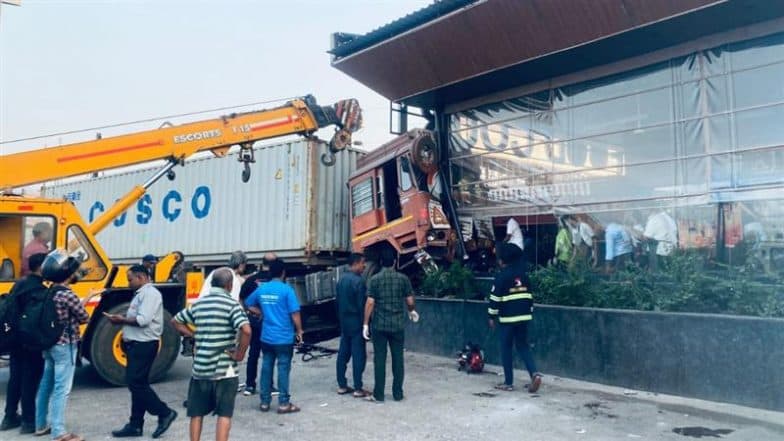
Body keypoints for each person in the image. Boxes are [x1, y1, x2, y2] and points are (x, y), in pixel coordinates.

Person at [172, 268, 251, 441]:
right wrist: (239, 354)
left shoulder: (200, 304)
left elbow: (176, 320)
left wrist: (193, 335)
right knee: (224, 414)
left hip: (200, 369)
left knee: (196, 414)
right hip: (225, 370)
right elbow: (246, 330)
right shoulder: (232, 305)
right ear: (229, 285)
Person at [35, 249, 98, 440]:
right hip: (65, 346)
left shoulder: (50, 291)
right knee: (62, 389)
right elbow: (83, 317)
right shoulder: (67, 294)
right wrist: (87, 301)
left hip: (50, 344)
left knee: (46, 385)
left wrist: (86, 298)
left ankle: (40, 425)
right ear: (67, 274)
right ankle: (59, 432)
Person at [108, 265, 177, 438]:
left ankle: (164, 412)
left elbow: (143, 320)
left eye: (130, 279)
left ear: (141, 277)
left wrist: (121, 320)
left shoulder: (150, 294)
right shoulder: (141, 294)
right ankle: (135, 424)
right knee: (139, 383)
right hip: (137, 344)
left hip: (144, 344)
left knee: (135, 383)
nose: (128, 283)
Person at [244, 259, 304, 414]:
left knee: (266, 367)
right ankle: (284, 403)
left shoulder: (262, 289)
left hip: (266, 337)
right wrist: (299, 330)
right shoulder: (287, 290)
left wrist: (261, 313)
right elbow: (295, 313)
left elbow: (248, 304)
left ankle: (264, 402)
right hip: (283, 337)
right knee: (283, 368)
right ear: (283, 273)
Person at [362, 248, 419, 403]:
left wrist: (366, 324)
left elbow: (370, 303)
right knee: (398, 360)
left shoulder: (374, 280)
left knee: (379, 360)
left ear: (381, 263)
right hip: (397, 326)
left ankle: (378, 394)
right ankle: (398, 394)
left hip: (380, 326)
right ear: (394, 262)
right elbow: (409, 300)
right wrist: (412, 311)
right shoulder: (403, 279)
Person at [1, 253, 47, 434]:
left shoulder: (20, 284)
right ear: (42, 267)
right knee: (29, 380)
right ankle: (29, 422)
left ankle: (9, 417)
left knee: (15, 379)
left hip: (13, 339)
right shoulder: (38, 289)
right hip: (29, 341)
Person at [488, 243, 542, 393]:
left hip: (507, 320)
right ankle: (534, 374)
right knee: (523, 346)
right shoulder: (524, 276)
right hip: (524, 317)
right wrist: (529, 312)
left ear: (502, 261)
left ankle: (508, 382)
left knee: (506, 348)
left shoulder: (501, 276)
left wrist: (491, 316)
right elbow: (530, 297)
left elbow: (495, 299)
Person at [238, 253, 278, 396]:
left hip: (254, 322)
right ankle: (269, 386)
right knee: (269, 355)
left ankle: (250, 385)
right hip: (271, 323)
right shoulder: (276, 281)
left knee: (253, 354)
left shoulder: (252, 280)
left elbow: (241, 298)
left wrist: (247, 314)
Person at [335, 253, 369, 397]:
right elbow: (362, 305)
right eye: (363, 263)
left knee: (343, 353)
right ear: (355, 263)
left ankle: (342, 385)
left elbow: (336, 302)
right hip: (356, 321)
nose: (364, 266)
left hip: (344, 321)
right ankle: (358, 388)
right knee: (358, 354)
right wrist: (366, 324)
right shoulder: (359, 282)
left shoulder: (341, 280)